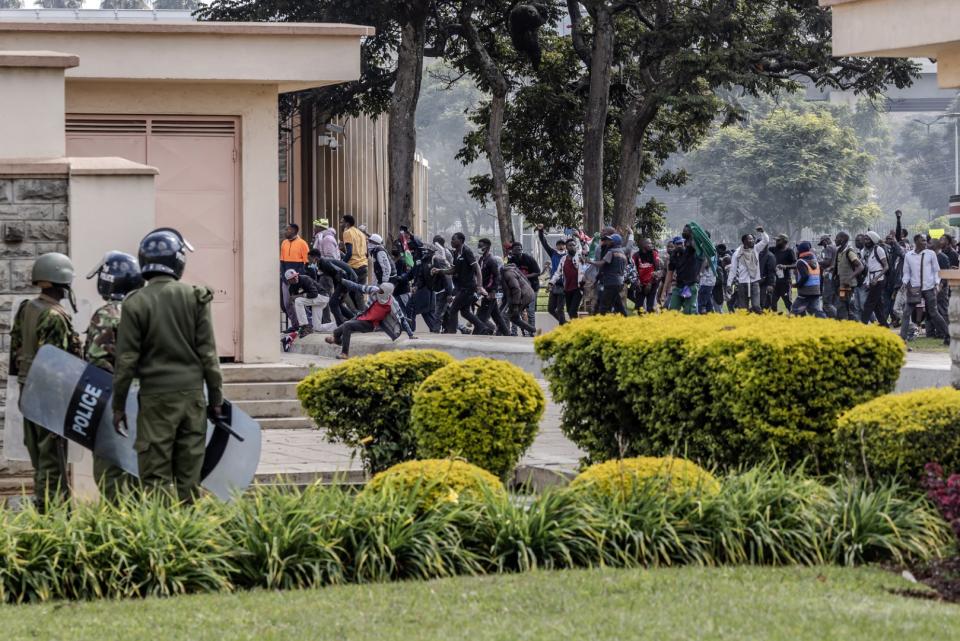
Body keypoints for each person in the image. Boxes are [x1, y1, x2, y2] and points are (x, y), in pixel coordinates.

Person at [112, 228, 223, 503]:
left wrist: (118, 405)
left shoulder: (135, 302)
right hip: (192, 399)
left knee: (155, 476)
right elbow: (209, 354)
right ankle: (189, 537)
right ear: (178, 261)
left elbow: (125, 361)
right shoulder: (195, 297)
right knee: (189, 478)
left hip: (155, 400)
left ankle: (161, 538)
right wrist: (216, 399)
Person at [10, 253, 82, 509]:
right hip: (47, 394)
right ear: (61, 282)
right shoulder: (54, 316)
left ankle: (43, 504)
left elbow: (17, 351)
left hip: (27, 389)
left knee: (39, 455)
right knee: (52, 456)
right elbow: (58, 366)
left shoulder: (27, 309)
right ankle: (53, 512)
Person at [84, 251, 144, 500]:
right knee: (135, 470)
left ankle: (116, 526)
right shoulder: (142, 312)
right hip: (140, 402)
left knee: (109, 471)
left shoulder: (106, 314)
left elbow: (97, 363)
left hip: (112, 401)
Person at [324, 282, 416, 358]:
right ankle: (337, 340)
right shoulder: (374, 290)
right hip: (362, 316)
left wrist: (410, 334)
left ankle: (344, 353)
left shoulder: (392, 304)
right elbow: (358, 287)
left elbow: (402, 319)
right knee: (338, 330)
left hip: (371, 324)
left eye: (381, 291)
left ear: (387, 293)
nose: (378, 291)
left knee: (348, 325)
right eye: (379, 289)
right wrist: (344, 281)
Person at [435, 232, 489, 334]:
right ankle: (483, 328)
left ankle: (452, 332)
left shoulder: (467, 251)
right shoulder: (456, 253)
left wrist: (480, 286)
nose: (451, 241)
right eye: (451, 239)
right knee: (465, 312)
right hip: (462, 287)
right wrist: (440, 270)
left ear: (461, 241)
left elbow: (477, 268)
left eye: (454, 239)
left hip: (468, 287)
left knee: (453, 309)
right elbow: (454, 270)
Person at [901, 233, 950, 346]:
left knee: (934, 313)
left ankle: (948, 336)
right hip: (914, 288)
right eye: (923, 241)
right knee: (906, 313)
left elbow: (936, 271)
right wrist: (904, 283)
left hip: (929, 288)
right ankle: (902, 339)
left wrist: (937, 284)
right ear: (916, 242)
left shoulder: (931, 254)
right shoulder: (908, 255)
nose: (925, 243)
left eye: (925, 241)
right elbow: (907, 272)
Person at [663, 226, 704, 314]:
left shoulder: (691, 251)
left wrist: (690, 234)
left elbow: (695, 244)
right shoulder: (673, 256)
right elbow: (669, 274)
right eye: (677, 244)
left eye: (681, 243)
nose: (679, 245)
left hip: (691, 287)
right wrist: (664, 291)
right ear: (674, 245)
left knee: (689, 312)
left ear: (684, 243)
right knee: (672, 312)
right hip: (678, 287)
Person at [285, 269, 335, 336]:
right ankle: (339, 324)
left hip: (322, 297)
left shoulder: (305, 279)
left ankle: (305, 326)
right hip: (316, 302)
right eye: (293, 278)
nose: (295, 278)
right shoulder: (291, 288)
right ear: (288, 281)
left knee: (298, 300)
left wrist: (299, 296)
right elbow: (297, 302)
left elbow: (314, 294)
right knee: (317, 327)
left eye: (296, 275)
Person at [507, 242, 542, 335]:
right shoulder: (511, 260)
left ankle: (532, 332)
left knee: (530, 312)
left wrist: (524, 276)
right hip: (518, 290)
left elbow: (538, 272)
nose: (517, 251)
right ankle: (514, 333)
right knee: (515, 311)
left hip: (532, 288)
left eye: (519, 249)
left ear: (522, 250)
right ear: (512, 251)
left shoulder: (529, 259)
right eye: (515, 250)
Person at [537, 224, 569, 324]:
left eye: (563, 244)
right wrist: (541, 231)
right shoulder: (553, 253)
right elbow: (544, 243)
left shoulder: (569, 255)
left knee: (560, 309)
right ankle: (565, 324)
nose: (561, 246)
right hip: (554, 284)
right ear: (556, 246)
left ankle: (563, 327)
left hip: (564, 285)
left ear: (565, 246)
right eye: (559, 244)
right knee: (551, 309)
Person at [280, 223, 309, 328]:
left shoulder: (302, 243)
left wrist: (297, 277)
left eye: (287, 230)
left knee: (298, 302)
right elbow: (282, 262)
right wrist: (284, 276)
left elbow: (306, 263)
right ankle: (295, 325)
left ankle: (304, 325)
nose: (285, 232)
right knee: (286, 303)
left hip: (297, 278)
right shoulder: (284, 243)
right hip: (285, 278)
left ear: (293, 231)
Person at [476, 238, 508, 335]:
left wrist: (493, 291)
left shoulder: (491, 260)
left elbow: (497, 276)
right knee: (497, 317)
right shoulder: (482, 260)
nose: (479, 248)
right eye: (478, 246)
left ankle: (478, 334)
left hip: (489, 293)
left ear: (487, 247)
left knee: (481, 317)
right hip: (485, 292)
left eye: (480, 246)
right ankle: (507, 334)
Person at [591, 233, 628, 315]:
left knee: (603, 306)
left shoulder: (611, 252)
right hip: (619, 283)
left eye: (609, 240)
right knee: (619, 305)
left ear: (614, 242)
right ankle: (627, 321)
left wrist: (590, 261)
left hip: (610, 282)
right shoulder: (622, 253)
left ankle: (599, 324)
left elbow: (602, 264)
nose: (607, 242)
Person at [727, 233, 763, 313]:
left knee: (756, 306)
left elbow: (766, 241)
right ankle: (746, 323)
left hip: (754, 282)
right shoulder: (737, 253)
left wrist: (762, 232)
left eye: (753, 239)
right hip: (743, 283)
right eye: (750, 239)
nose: (752, 241)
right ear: (744, 241)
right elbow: (733, 270)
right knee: (743, 308)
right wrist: (729, 284)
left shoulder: (756, 249)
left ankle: (761, 322)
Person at [550, 237, 584, 320]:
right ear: (566, 247)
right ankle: (575, 328)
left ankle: (577, 329)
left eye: (573, 245)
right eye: (570, 245)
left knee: (573, 311)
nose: (572, 247)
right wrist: (551, 282)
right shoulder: (563, 259)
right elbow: (558, 273)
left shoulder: (579, 257)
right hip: (567, 289)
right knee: (569, 311)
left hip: (578, 288)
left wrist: (579, 237)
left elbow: (584, 249)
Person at [860, 231, 889, 326]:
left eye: (868, 239)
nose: (866, 241)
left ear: (873, 239)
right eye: (865, 239)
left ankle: (863, 323)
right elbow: (867, 268)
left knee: (869, 303)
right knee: (877, 305)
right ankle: (884, 324)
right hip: (871, 279)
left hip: (879, 279)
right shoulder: (864, 251)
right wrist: (867, 280)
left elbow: (886, 266)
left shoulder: (878, 249)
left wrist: (876, 278)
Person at [833, 231, 864, 321]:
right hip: (842, 285)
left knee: (846, 306)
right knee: (843, 305)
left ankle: (856, 325)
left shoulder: (849, 252)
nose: (835, 240)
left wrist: (849, 278)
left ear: (842, 240)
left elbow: (860, 266)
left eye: (837, 238)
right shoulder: (839, 251)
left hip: (849, 285)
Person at [500, 262, 537, 335]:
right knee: (514, 318)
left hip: (524, 296)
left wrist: (515, 305)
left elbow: (516, 289)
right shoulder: (508, 271)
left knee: (505, 315)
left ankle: (506, 334)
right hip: (525, 294)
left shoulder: (508, 274)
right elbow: (508, 291)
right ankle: (532, 330)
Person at [790, 242, 825, 318]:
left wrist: (797, 285)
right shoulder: (814, 260)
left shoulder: (800, 262)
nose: (796, 251)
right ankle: (826, 322)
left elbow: (805, 276)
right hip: (816, 289)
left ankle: (786, 325)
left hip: (806, 291)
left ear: (800, 251)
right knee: (815, 310)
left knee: (795, 308)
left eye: (797, 249)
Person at [629, 238, 660, 313]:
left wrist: (649, 284)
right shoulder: (636, 256)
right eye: (648, 243)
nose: (651, 245)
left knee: (650, 307)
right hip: (640, 284)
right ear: (642, 245)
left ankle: (651, 320)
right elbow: (632, 270)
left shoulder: (654, 254)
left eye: (651, 243)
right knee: (639, 307)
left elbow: (657, 270)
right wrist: (637, 282)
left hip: (652, 283)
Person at [341, 214, 368, 286]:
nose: (340, 224)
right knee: (360, 292)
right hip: (364, 266)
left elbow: (349, 253)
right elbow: (366, 253)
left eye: (342, 222)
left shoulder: (347, 232)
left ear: (347, 224)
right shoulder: (361, 233)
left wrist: (341, 264)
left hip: (354, 267)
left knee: (349, 290)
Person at [772, 234, 796, 311]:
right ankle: (773, 318)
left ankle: (791, 317)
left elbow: (795, 264)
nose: (776, 242)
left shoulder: (789, 251)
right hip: (774, 281)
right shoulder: (772, 250)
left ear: (784, 241)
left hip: (785, 281)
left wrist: (785, 266)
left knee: (788, 302)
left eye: (778, 240)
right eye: (776, 240)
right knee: (772, 302)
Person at [818, 235, 838, 318]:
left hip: (829, 274)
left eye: (822, 243)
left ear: (825, 241)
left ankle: (838, 318)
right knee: (834, 301)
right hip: (836, 276)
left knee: (826, 303)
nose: (823, 245)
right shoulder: (836, 247)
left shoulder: (828, 248)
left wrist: (818, 262)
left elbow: (827, 261)